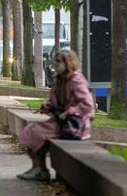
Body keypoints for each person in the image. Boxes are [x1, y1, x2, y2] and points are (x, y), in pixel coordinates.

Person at [17, 50, 94, 181]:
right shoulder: (60, 80)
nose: (56, 64)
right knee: (32, 130)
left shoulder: (76, 80)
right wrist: (48, 107)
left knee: (37, 132)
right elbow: (57, 102)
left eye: (59, 62)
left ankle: (40, 169)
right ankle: (38, 167)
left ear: (68, 62)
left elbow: (87, 104)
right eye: (56, 61)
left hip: (74, 124)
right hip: (61, 121)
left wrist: (68, 112)